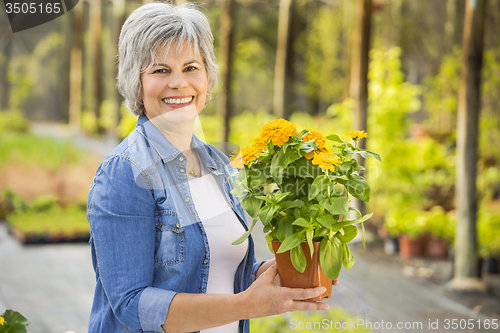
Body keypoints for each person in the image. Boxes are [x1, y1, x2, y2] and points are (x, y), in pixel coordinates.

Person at [87, 3, 336, 333]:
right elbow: (131, 304)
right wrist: (247, 304)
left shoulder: (217, 164)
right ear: (137, 82)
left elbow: (214, 271)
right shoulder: (125, 171)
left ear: (208, 76)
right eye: (160, 70)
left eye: (191, 67)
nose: (179, 83)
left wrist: (281, 272)